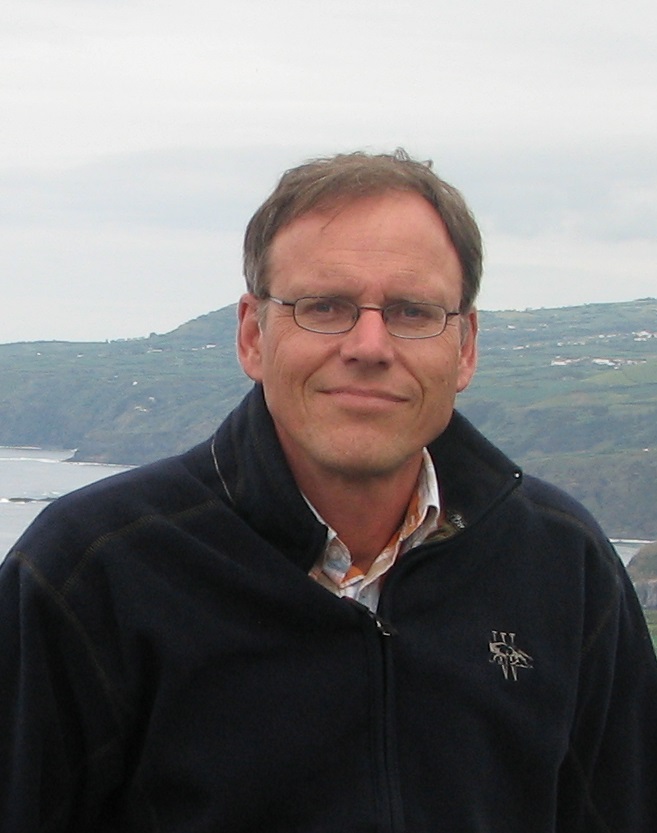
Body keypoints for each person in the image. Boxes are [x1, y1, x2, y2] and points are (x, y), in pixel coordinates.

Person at [1, 149, 656, 833]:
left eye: (411, 311)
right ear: (252, 336)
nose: (369, 345)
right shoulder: (93, 573)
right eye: (325, 306)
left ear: (464, 347)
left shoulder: (561, 565)